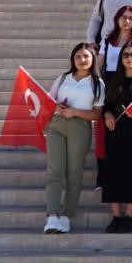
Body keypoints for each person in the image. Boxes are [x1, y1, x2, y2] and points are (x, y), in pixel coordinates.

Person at [44, 42, 104, 234]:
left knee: (74, 173)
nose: (82, 60)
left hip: (80, 127)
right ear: (73, 59)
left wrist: (75, 112)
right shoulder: (63, 78)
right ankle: (52, 215)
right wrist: (56, 107)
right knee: (55, 170)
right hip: (57, 125)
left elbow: (97, 114)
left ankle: (67, 215)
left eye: (86, 56)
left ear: (92, 59)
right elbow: (48, 100)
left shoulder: (98, 83)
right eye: (78, 56)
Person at [101, 41, 132, 233]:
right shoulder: (112, 79)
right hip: (114, 133)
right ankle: (115, 216)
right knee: (112, 175)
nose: (130, 58)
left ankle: (128, 217)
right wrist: (107, 114)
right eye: (126, 55)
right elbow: (104, 105)